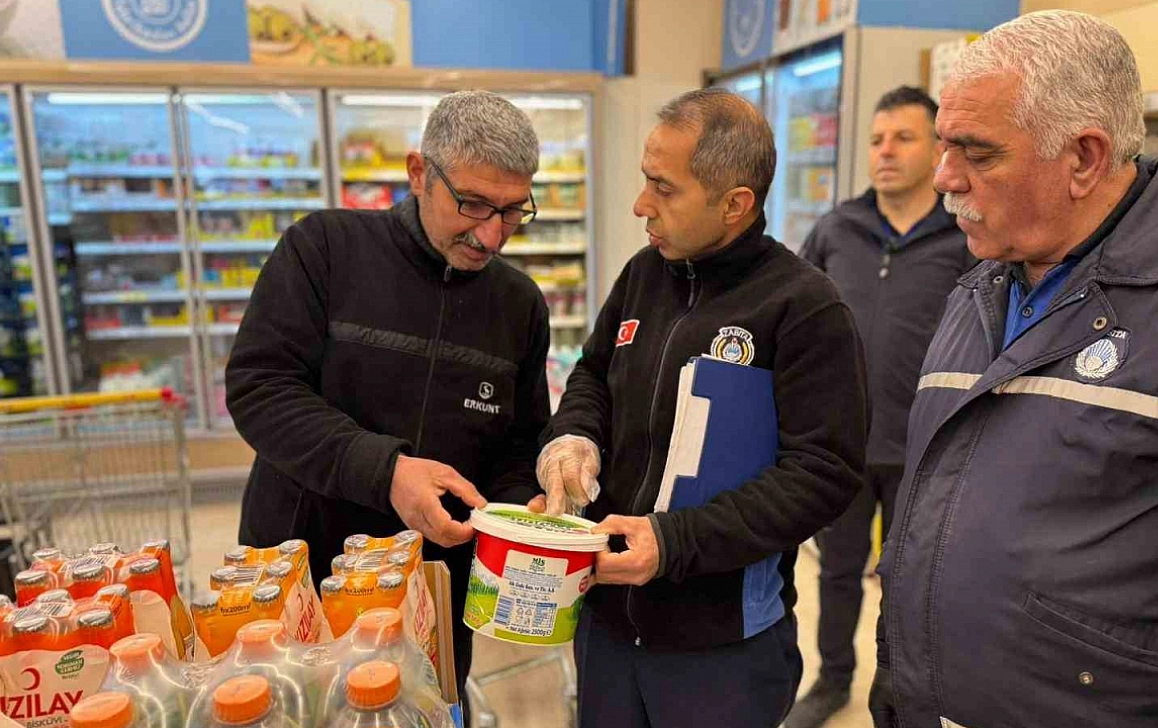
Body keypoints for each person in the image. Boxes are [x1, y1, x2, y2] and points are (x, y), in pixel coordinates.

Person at [870, 11, 1158, 728]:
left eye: (978, 153)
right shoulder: (981, 284)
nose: (944, 178)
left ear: (1084, 158)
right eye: (944, 145)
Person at [529, 87, 869, 727]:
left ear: (735, 204)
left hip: (722, 648)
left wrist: (671, 542)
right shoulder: (643, 273)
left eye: (664, 188)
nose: (641, 204)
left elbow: (822, 474)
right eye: (645, 180)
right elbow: (594, 373)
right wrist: (573, 438)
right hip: (604, 620)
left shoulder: (804, 309)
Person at [225, 90, 551, 707]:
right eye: (472, 204)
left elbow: (517, 443)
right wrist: (388, 472)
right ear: (419, 173)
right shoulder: (323, 249)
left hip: (434, 592)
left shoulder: (519, 305)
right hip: (303, 577)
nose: (490, 236)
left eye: (512, 211)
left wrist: (519, 512)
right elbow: (260, 388)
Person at [785, 86, 973, 728]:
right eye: (876, 139)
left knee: (911, 580)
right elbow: (794, 321)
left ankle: (898, 693)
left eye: (903, 138)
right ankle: (832, 680)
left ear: (938, 148)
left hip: (929, 447)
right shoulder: (837, 228)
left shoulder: (964, 235)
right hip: (842, 444)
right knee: (836, 572)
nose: (885, 151)